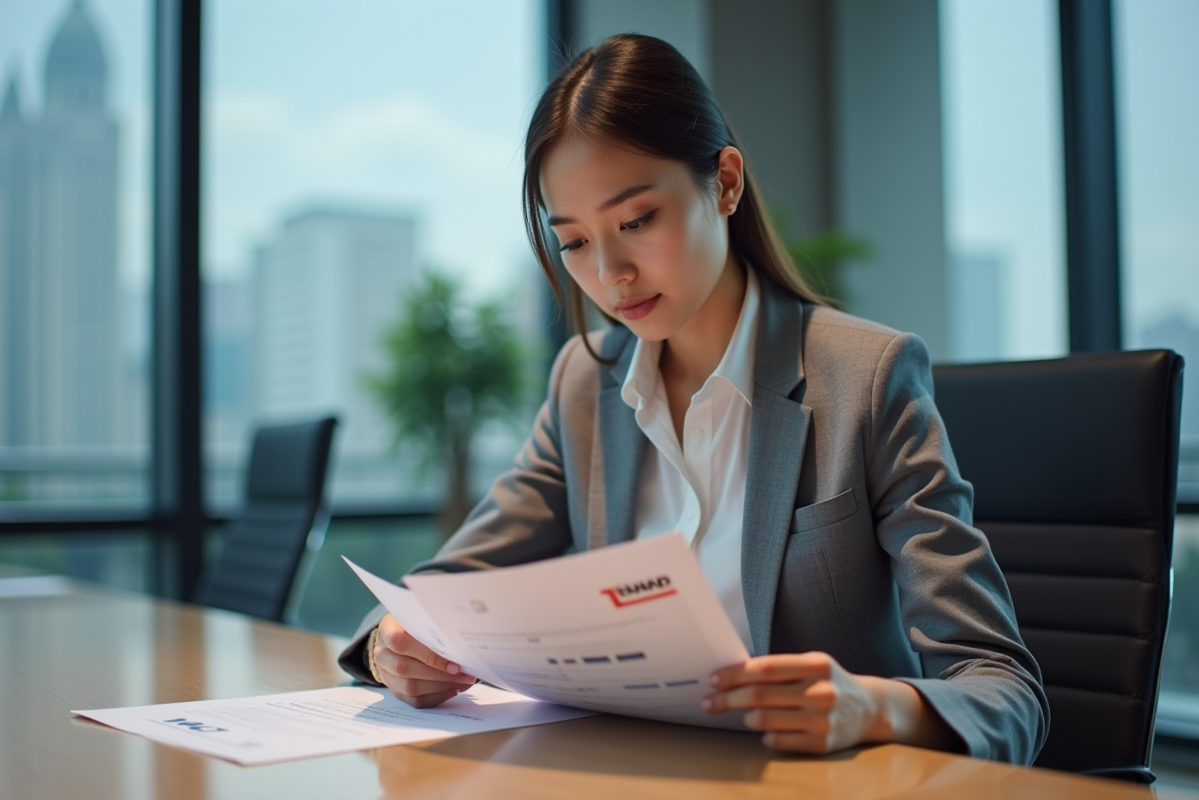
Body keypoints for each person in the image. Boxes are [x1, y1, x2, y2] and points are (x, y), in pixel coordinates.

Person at [339, 33, 1048, 764]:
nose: (610, 274)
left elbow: (1004, 689)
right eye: (575, 242)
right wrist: (396, 644)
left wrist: (874, 707)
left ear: (726, 183)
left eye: (637, 221)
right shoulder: (586, 383)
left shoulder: (865, 379)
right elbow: (447, 586)